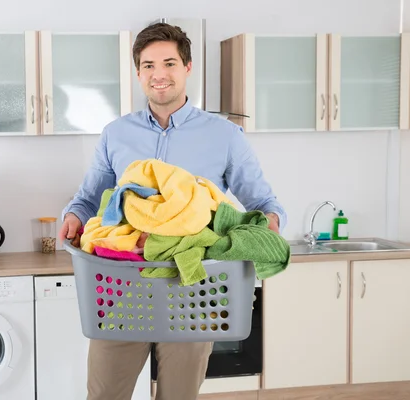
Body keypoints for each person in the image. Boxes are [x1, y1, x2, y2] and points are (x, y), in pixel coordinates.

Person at [59, 22, 286, 400]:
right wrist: (73, 216)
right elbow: (87, 199)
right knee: (103, 396)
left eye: (169, 63)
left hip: (191, 290)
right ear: (138, 73)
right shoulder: (116, 134)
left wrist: (268, 228)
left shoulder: (225, 135)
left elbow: (264, 205)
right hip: (123, 287)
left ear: (187, 67)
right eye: (148, 65)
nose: (158, 74)